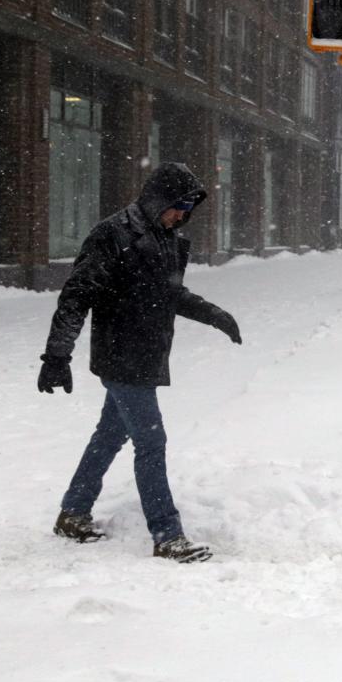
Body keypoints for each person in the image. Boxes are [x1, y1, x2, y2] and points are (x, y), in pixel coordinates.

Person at [39, 162, 242, 564]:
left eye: (189, 208)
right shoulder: (113, 235)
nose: (182, 215)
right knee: (151, 442)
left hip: (147, 355)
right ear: (156, 200)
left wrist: (214, 315)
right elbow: (76, 296)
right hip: (121, 356)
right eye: (178, 206)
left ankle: (73, 512)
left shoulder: (167, 238)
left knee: (109, 435)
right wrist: (57, 355)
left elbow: (170, 293)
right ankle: (167, 535)